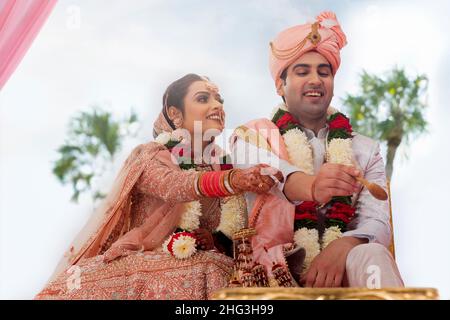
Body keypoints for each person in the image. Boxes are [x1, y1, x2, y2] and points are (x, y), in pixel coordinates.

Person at [35, 73, 282, 300]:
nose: (217, 105)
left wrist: (215, 239)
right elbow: (172, 185)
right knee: (211, 268)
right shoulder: (152, 154)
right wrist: (232, 181)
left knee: (240, 274)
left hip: (199, 260)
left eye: (219, 99)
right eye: (203, 98)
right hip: (140, 260)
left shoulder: (222, 164)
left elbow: (232, 228)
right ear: (175, 114)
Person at [230, 12, 404, 288]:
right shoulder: (252, 136)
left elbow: (377, 221)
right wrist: (311, 186)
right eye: (302, 72)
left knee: (371, 252)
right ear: (280, 85)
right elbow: (263, 170)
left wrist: (344, 245)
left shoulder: (365, 149)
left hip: (346, 267)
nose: (315, 80)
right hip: (275, 265)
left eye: (324, 72)